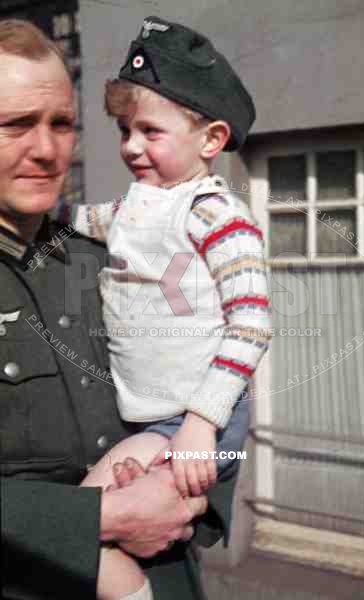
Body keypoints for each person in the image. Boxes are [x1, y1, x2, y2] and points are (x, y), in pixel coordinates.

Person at [1, 19, 243, 600]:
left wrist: (194, 490)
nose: (46, 149)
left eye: (61, 123)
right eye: (15, 125)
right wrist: (96, 521)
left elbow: (222, 402)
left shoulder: (126, 258)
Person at [56, 16, 271, 600]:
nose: (130, 146)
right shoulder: (136, 207)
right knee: (116, 529)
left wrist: (201, 424)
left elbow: (252, 323)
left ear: (211, 139)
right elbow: (78, 221)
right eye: (124, 130)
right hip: (153, 422)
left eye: (150, 131)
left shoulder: (216, 214)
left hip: (198, 423)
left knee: (71, 525)